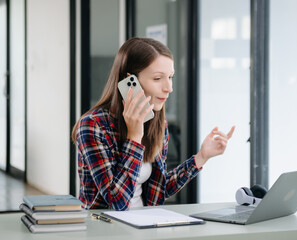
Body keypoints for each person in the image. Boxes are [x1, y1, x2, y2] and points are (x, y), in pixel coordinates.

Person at [72, 37, 235, 210]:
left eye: (170, 77)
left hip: (145, 226)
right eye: (158, 78)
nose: (169, 87)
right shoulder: (93, 125)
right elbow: (116, 201)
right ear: (130, 82)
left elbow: (159, 188)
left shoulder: (157, 121)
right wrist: (134, 137)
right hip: (106, 230)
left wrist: (202, 157)